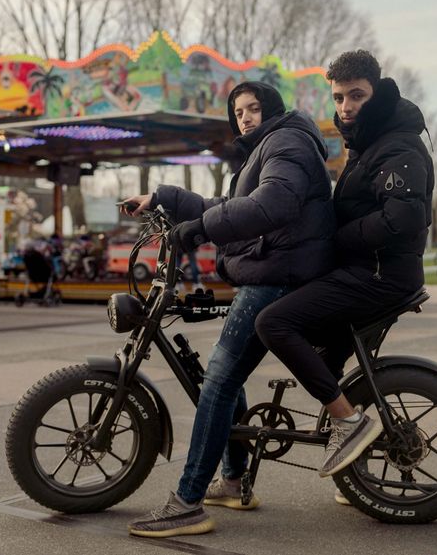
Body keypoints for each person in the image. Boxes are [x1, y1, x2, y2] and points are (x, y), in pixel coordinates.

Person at [122, 81, 335, 538]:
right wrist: (161, 197)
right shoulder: (268, 149)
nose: (244, 117)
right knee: (225, 373)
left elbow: (270, 205)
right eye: (238, 112)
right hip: (271, 270)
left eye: (253, 108)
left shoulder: (287, 142)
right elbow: (230, 206)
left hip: (278, 276)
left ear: (272, 110)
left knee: (218, 378)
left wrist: (195, 231)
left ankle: (187, 502)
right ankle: (234, 480)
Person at [254, 49, 434, 481]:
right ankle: (357, 473)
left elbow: (404, 217)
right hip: (368, 271)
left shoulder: (397, 144)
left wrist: (338, 238)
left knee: (273, 324)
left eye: (356, 95)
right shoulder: (370, 142)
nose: (346, 106)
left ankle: (349, 424)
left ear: (377, 92)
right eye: (338, 98)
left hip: (379, 276)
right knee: (322, 357)